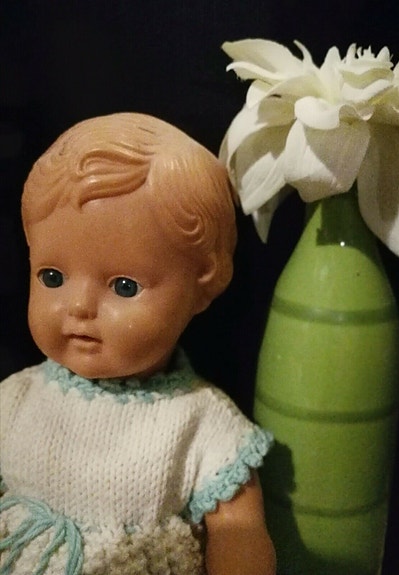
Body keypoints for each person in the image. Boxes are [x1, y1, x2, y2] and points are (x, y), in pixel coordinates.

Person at [0, 112, 276, 575]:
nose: (79, 307)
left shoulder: (198, 423)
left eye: (124, 287)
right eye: (52, 277)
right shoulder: (16, 400)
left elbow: (239, 533)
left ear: (202, 287)